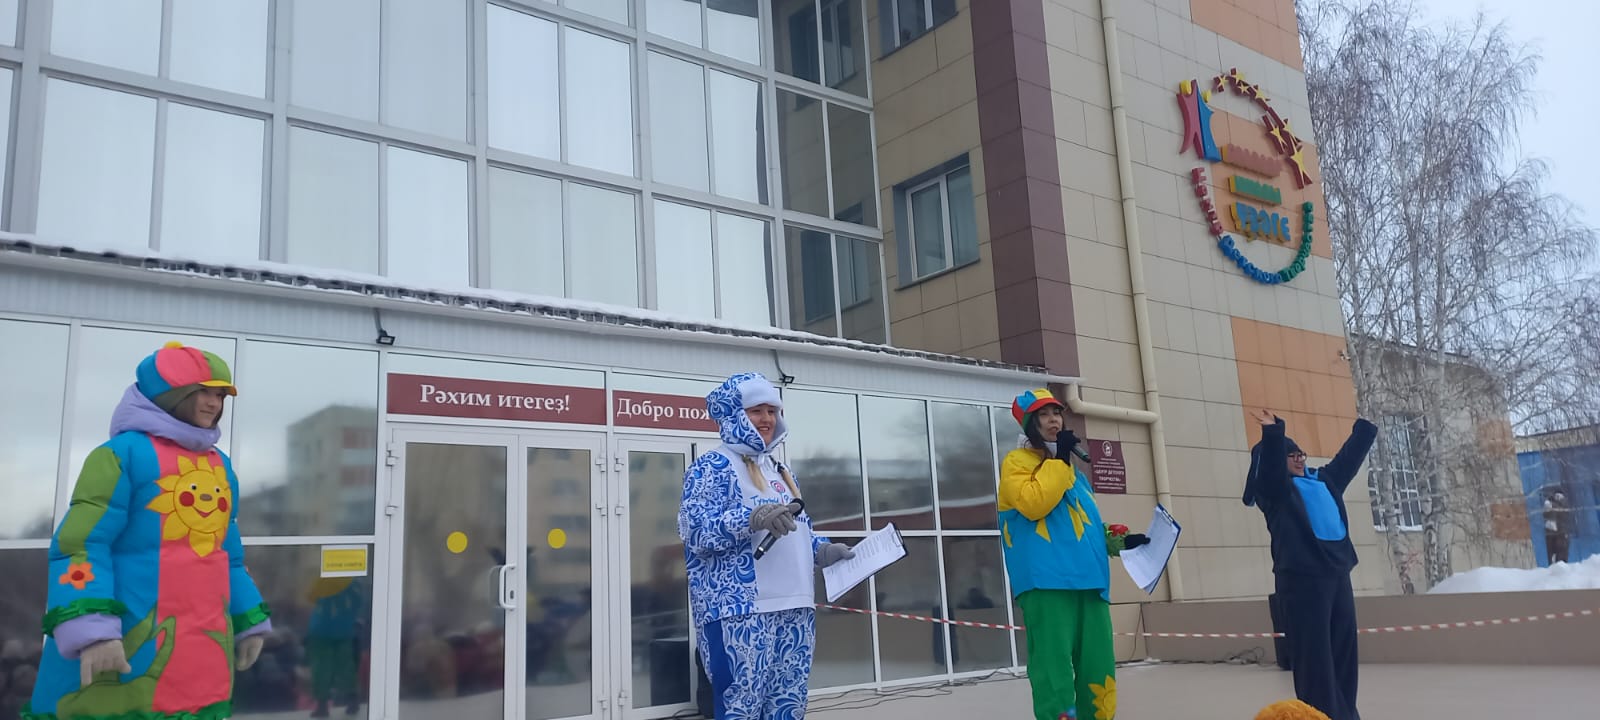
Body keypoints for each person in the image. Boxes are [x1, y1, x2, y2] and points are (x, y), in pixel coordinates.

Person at [27, 341, 272, 720]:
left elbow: (227, 554)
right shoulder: (119, 455)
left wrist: (247, 618)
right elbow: (81, 544)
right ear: (172, 394)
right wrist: (92, 628)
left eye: (221, 395)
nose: (214, 403)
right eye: (204, 392)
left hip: (202, 644)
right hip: (127, 639)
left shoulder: (219, 465)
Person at [678, 372, 855, 720]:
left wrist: (822, 550)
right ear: (734, 414)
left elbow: (797, 530)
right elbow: (695, 531)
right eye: (756, 410)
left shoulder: (780, 470)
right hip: (740, 610)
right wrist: (751, 518)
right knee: (740, 707)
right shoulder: (712, 467)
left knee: (788, 706)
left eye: (772, 411)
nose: (767, 419)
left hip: (795, 605)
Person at [999, 389, 1148, 720]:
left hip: (1091, 581)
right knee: (1054, 670)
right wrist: (1059, 460)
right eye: (1044, 414)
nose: (1054, 420)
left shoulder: (1075, 475)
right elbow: (1034, 504)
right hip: (1046, 582)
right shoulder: (1016, 464)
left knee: (1098, 667)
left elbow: (1084, 525)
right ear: (1030, 424)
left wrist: (1121, 540)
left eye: (1057, 413)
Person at [1242, 410, 1377, 720]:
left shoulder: (1325, 480)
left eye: (1300, 453)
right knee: (1315, 660)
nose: (1299, 459)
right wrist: (1274, 433)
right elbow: (1271, 471)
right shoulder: (1276, 493)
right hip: (1302, 581)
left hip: (1337, 574)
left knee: (1344, 654)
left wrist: (1365, 428)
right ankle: (1321, 716)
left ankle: (1346, 715)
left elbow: (1348, 460)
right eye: (1291, 456)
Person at [1543, 490, 1572, 565]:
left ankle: (1561, 567)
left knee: (1561, 555)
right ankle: (1555, 567)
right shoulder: (1549, 504)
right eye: (1556, 496)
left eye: (1559, 496)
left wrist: (1552, 505)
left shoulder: (1564, 504)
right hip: (1552, 534)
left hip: (1561, 534)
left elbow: (1562, 511)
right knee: (1552, 555)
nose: (1558, 497)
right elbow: (1546, 516)